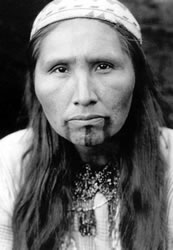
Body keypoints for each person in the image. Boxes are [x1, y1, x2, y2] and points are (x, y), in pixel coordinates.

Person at [0, 0, 173, 249]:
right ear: (34, 82)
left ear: (137, 76)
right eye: (60, 69)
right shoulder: (9, 160)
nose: (84, 95)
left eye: (104, 66)